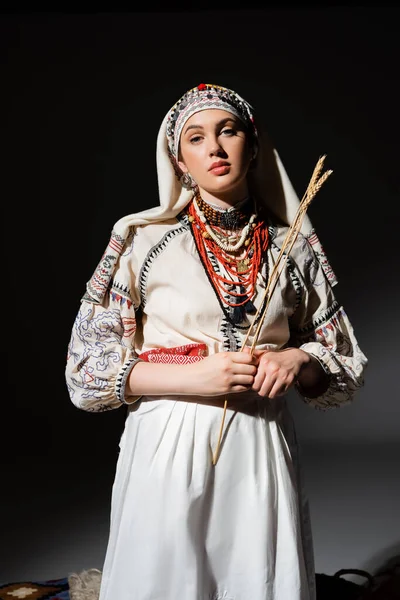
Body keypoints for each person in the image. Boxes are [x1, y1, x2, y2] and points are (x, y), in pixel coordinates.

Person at [65, 83, 368, 600]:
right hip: (168, 442)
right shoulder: (142, 241)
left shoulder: (289, 247)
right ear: (179, 160)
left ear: (252, 144)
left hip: (260, 446)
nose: (215, 148)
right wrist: (193, 377)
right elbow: (85, 371)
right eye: (196, 137)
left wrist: (298, 359)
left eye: (228, 131)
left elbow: (343, 364)